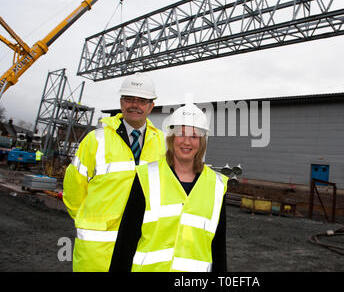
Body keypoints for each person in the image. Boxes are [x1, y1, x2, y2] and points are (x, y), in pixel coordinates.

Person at [63, 73, 166, 272]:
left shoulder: (163, 143)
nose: (135, 105)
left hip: (142, 246)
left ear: (151, 106)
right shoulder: (96, 140)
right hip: (98, 250)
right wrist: (87, 220)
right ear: (121, 102)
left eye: (142, 100)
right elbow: (73, 187)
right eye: (129, 99)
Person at [130, 104, 228, 272]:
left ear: (202, 141)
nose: (187, 142)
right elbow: (127, 240)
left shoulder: (217, 185)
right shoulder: (146, 176)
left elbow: (218, 248)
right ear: (171, 138)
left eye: (194, 136)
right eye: (181, 134)